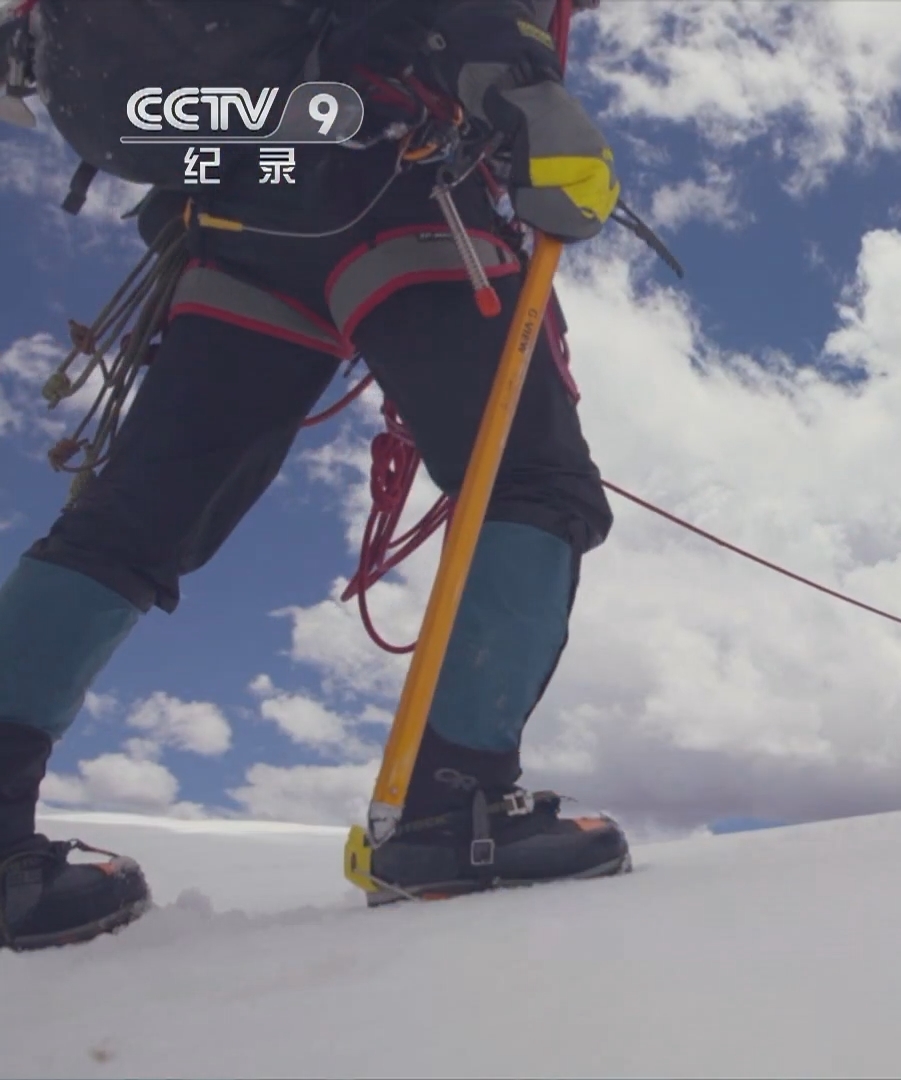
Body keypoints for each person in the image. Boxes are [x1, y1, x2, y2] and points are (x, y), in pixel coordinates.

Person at [1, 0, 631, 951]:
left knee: (128, 525)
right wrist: (521, 89)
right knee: (531, 482)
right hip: (386, 183)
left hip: (233, 214)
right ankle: (450, 813)